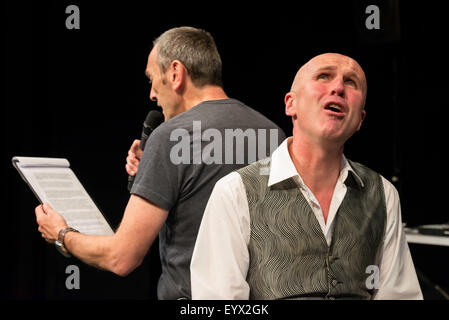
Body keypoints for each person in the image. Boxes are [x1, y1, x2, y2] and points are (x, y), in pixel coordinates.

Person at [35, 26, 285, 300]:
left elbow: (122, 257)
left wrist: (62, 234)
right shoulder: (273, 134)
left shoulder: (170, 137)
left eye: (152, 79)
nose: (152, 94)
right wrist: (155, 174)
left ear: (176, 74)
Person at [190, 53, 423, 300]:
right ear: (291, 104)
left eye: (351, 82)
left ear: (360, 120)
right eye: (324, 77)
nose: (338, 88)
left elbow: (399, 296)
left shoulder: (382, 194)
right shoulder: (235, 191)